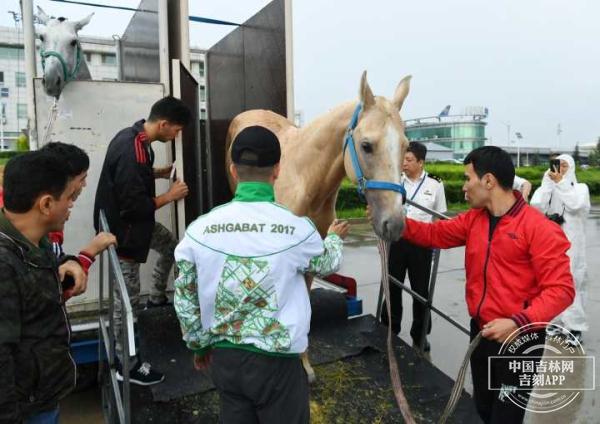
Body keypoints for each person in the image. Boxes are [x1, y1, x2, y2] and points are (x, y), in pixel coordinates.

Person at [371, 146, 574, 423]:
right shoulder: (474, 220)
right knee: (483, 408)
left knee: (507, 415)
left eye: (468, 179)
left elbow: (561, 290)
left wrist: (517, 322)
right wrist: (396, 223)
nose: (464, 187)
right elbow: (435, 233)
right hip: (481, 332)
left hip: (520, 339)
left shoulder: (539, 228)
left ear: (488, 181)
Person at [173, 125, 349, 424]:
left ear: (233, 169)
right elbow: (327, 264)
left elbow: (185, 294)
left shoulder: (200, 229)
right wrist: (332, 237)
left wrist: (199, 344)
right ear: (277, 170)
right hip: (278, 364)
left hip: (225, 361)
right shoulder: (296, 228)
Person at [93, 96, 191, 385]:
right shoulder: (132, 149)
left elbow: (134, 176)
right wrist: (169, 196)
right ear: (163, 124)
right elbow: (132, 205)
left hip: (137, 226)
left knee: (173, 247)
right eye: (177, 130)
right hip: (123, 234)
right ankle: (127, 364)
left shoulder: (137, 139)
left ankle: (158, 297)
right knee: (127, 301)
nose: (177, 135)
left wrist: (159, 173)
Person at [0, 151, 87, 423]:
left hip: (43, 397)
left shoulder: (33, 240)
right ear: (47, 204)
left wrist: (68, 261)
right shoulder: (4, 265)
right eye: (69, 198)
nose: (71, 206)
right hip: (25, 411)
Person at [381, 141, 446, 351]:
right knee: (392, 286)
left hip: (422, 245)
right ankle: (390, 328)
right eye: (403, 159)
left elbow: (438, 217)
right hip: (397, 242)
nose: (404, 164)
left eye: (409, 160)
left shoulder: (435, 185)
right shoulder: (395, 182)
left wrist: (435, 246)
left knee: (421, 291)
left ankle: (420, 335)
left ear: (420, 162)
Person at [40, 142, 117, 300]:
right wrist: (90, 252)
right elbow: (55, 293)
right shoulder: (40, 233)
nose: (85, 184)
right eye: (82, 179)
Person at [530, 154, 590, 344]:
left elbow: (575, 205)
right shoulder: (550, 188)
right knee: (550, 280)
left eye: (565, 166)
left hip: (573, 243)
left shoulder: (580, 189)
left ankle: (575, 326)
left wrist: (561, 183)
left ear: (571, 168)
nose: (561, 169)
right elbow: (536, 205)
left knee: (573, 280)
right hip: (551, 241)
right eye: (558, 165)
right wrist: (548, 182)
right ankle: (556, 320)